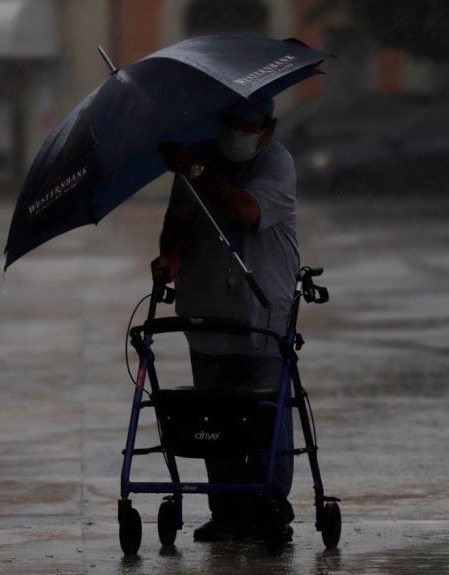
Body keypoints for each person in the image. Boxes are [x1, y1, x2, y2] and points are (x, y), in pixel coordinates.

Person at [151, 95, 298, 542]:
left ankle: (269, 506)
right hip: (207, 314)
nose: (236, 133)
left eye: (246, 126)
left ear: (267, 131)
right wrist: (170, 255)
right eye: (229, 123)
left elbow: (244, 212)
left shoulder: (277, 164)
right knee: (214, 418)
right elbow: (177, 218)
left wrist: (193, 170)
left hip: (261, 315)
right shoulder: (197, 160)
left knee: (266, 416)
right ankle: (228, 510)